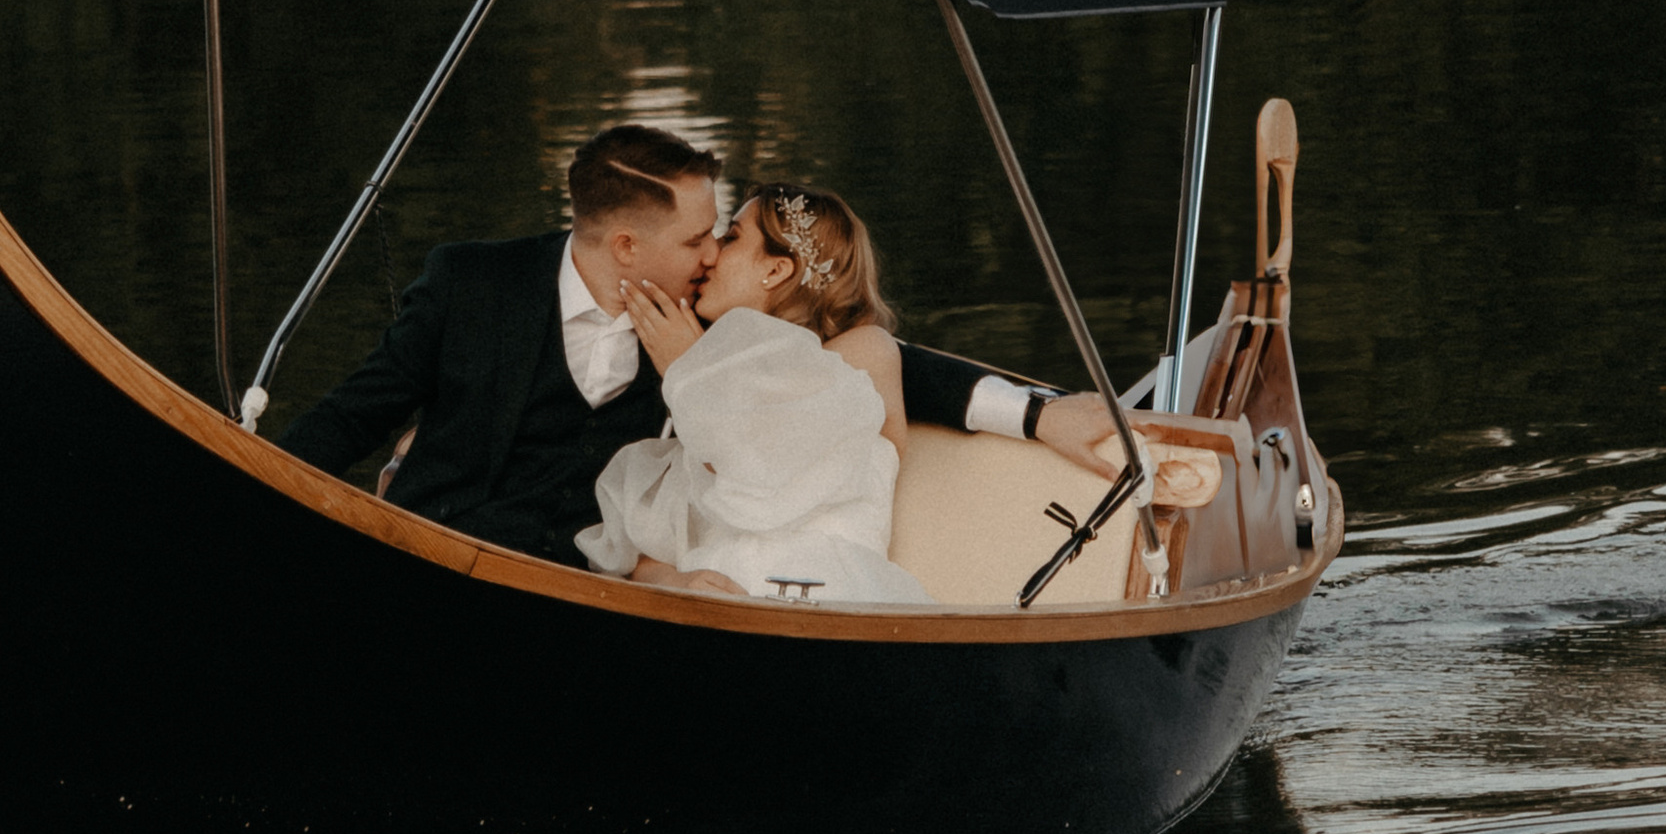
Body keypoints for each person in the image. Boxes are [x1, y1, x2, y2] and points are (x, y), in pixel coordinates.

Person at [277, 122, 1132, 565]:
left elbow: (869, 357)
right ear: (624, 247)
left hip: (583, 588)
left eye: (722, 236)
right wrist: (259, 488)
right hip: (428, 554)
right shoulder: (470, 284)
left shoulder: (713, 328)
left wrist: (1034, 414)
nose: (712, 253)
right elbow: (356, 410)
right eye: (698, 238)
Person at [579, 182, 934, 604]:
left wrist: (689, 370)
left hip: (832, 598)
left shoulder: (862, 352)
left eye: (731, 237)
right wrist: (671, 580)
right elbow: (645, 538)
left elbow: (759, 465)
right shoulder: (706, 376)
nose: (710, 254)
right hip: (716, 598)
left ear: (775, 270)